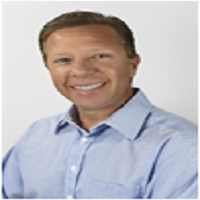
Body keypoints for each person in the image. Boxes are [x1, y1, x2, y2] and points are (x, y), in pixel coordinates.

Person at [2, 11, 197, 199]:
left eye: (100, 56)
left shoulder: (183, 147)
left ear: (133, 65)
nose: (81, 71)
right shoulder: (35, 137)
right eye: (64, 60)